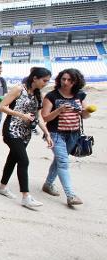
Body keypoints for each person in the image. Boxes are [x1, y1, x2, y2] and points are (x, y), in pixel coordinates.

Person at [0, 67, 53, 208]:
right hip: (12, 130)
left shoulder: (38, 94)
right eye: (44, 80)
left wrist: (46, 133)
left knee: (13, 159)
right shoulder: (18, 89)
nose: (45, 83)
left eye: (47, 81)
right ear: (35, 78)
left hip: (25, 133)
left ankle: (2, 187)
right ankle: (25, 196)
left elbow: (38, 117)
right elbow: (2, 107)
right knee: (24, 160)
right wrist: (22, 115)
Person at [41, 68, 91, 206]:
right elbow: (45, 117)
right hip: (55, 134)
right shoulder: (51, 96)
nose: (66, 82)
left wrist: (85, 111)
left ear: (76, 81)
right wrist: (59, 110)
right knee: (63, 161)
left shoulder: (80, 95)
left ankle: (48, 184)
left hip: (74, 134)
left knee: (59, 160)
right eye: (63, 79)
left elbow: (85, 116)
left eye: (70, 80)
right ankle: (71, 195)